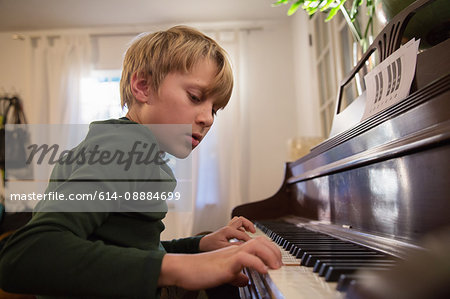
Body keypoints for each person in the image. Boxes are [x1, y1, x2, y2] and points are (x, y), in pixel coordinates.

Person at [0, 26, 281, 298]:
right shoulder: (123, 150)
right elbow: (25, 254)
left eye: (214, 110)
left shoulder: (136, 149)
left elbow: (133, 247)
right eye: (195, 97)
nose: (207, 118)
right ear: (143, 86)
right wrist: (183, 267)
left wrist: (198, 246)